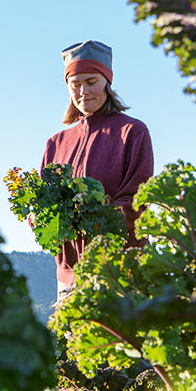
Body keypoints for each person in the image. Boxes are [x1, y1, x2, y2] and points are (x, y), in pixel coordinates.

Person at [40, 39, 154, 302]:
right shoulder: (55, 144)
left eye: (91, 82)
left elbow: (137, 201)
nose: (83, 92)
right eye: (75, 84)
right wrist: (43, 217)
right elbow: (42, 209)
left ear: (107, 81)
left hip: (119, 270)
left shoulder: (133, 132)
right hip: (68, 278)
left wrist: (90, 217)